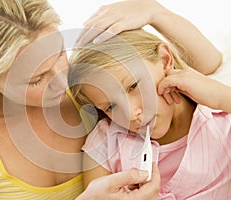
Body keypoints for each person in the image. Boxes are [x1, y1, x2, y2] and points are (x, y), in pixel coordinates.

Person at [0, 0, 222, 199]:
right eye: (37, 78)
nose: (62, 79)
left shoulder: (91, 90)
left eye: (59, 52)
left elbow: (208, 65)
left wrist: (155, 11)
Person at [68, 27, 231, 199]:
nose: (131, 114)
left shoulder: (222, 120)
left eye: (133, 86)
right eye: (111, 107)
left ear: (165, 59)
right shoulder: (105, 142)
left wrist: (222, 97)